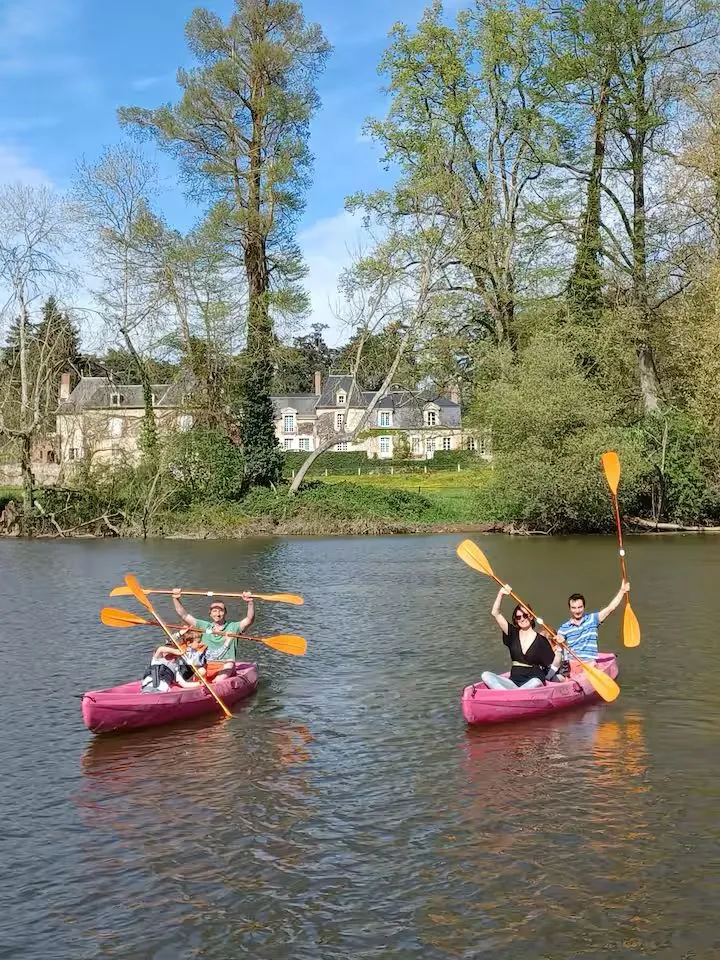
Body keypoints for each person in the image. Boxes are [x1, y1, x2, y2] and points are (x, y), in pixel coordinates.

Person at [481, 584, 564, 690]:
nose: (522, 619)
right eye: (518, 617)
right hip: (513, 682)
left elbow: (554, 663)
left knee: (536, 681)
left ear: (531, 617)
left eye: (525, 615)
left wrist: (559, 646)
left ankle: (510, 695)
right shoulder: (512, 633)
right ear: (515, 619)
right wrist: (501, 593)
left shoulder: (541, 640)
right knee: (486, 675)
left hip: (533, 681)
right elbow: (495, 613)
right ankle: (511, 695)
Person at [172, 588, 254, 680]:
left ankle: (216, 684)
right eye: (214, 611)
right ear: (210, 613)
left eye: (221, 611)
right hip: (205, 664)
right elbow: (184, 615)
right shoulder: (203, 626)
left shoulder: (234, 627)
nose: (218, 614)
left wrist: (250, 602)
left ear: (225, 612)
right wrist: (176, 598)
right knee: (197, 668)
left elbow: (249, 619)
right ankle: (198, 686)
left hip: (225, 665)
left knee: (229, 664)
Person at [556, 581, 630, 664]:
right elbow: (558, 641)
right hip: (572, 662)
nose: (577, 611)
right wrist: (559, 640)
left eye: (580, 607)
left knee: (591, 665)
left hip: (589, 662)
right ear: (570, 609)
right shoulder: (564, 627)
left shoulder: (592, 619)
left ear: (584, 607)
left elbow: (610, 608)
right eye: (574, 608)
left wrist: (622, 591)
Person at [140, 627, 208, 693]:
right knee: (151, 689)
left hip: (162, 690)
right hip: (149, 686)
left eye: (173, 654)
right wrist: (176, 650)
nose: (170, 654)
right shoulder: (157, 660)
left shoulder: (176, 669)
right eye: (169, 652)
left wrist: (200, 683)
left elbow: (184, 684)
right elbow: (161, 649)